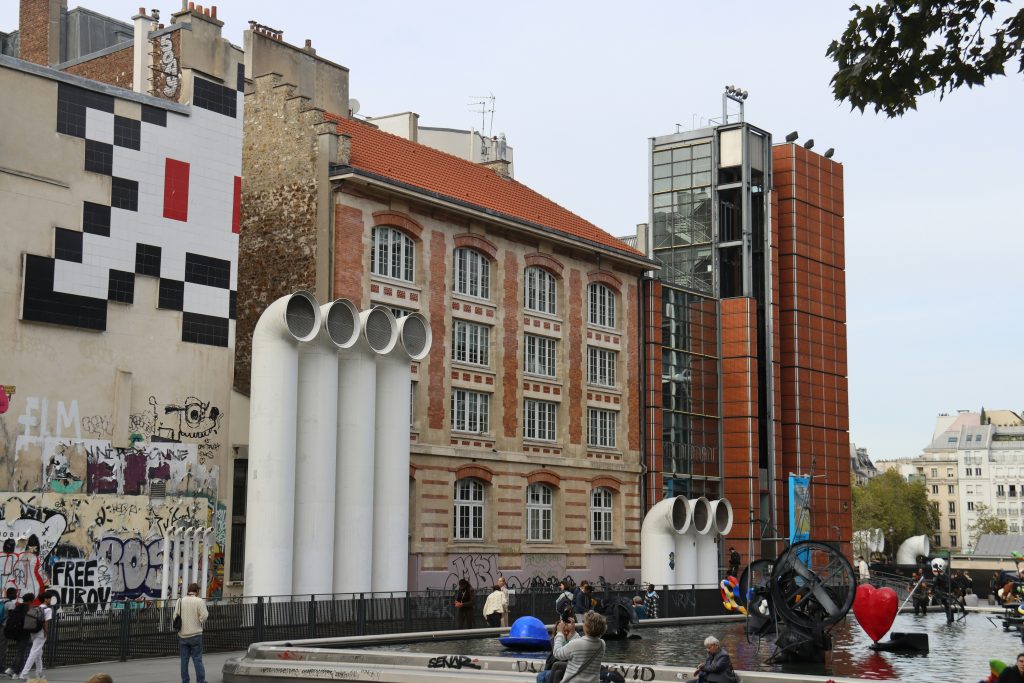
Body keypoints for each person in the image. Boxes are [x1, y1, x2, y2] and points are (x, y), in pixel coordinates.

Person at [536, 610, 606, 683]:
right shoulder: (602, 644)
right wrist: (573, 632)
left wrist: (560, 633)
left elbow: (557, 653)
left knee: (551, 671)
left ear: (587, 627)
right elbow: (584, 644)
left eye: (584, 623)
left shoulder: (575, 644)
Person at [174, 582, 209, 683]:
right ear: (197, 591)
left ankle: (185, 681)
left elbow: (174, 616)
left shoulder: (180, 601)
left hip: (182, 635)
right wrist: (200, 619)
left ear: (188, 591)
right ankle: (200, 681)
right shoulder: (199, 601)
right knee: (197, 659)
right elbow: (205, 616)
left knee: (184, 660)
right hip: (195, 635)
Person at [17, 591, 50, 681]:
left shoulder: (37, 608)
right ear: (46, 599)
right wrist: (46, 632)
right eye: (49, 598)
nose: (50, 600)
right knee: (34, 652)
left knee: (39, 652)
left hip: (33, 632)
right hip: (41, 633)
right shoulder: (47, 609)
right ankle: (24, 674)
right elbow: (46, 622)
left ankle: (39, 672)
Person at [0, 587, 18, 675]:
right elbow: (12, 617)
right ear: (11, 594)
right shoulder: (10, 604)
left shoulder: (2, 602)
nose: (16, 595)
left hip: (1, 625)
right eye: (15, 593)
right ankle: (1, 666)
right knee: (3, 648)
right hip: (4, 627)